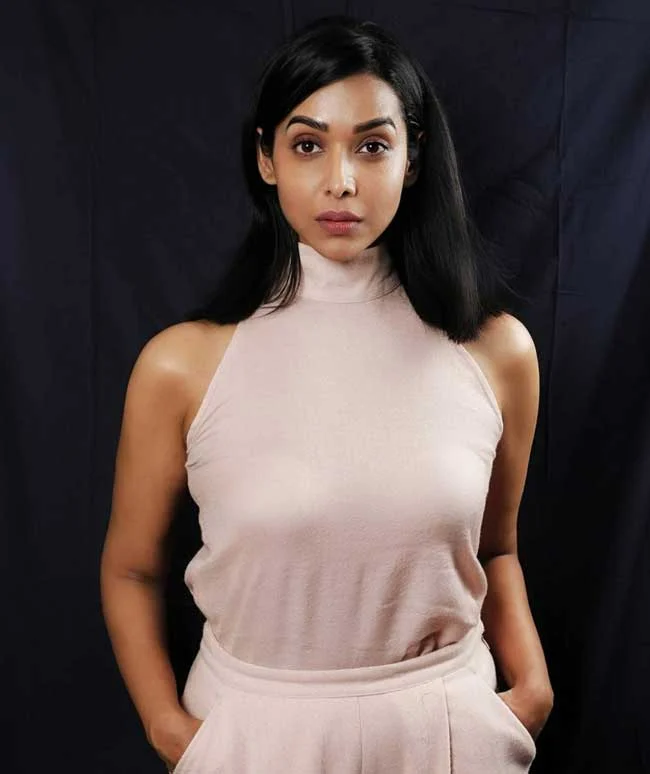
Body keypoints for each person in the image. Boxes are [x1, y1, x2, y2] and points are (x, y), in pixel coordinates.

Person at [100, 14, 553, 773]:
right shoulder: (181, 366)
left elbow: (496, 548)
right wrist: (169, 731)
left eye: (372, 146)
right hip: (250, 737)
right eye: (308, 145)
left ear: (412, 159)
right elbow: (130, 569)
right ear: (267, 158)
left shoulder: (496, 352)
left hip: (449, 732)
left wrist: (531, 689)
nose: (341, 180)